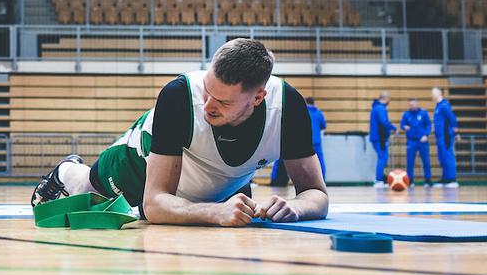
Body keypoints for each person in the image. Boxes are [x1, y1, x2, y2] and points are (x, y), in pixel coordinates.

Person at [32, 39, 328, 227]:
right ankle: (69, 172)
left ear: (258, 98)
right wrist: (214, 213)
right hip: (134, 167)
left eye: (223, 101)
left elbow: (317, 195)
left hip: (213, 185)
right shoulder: (178, 96)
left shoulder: (288, 106)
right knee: (90, 188)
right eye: (207, 91)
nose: (208, 106)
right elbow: (154, 205)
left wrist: (296, 207)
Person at [400, 98, 432, 187]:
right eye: (410, 105)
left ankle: (427, 180)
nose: (412, 106)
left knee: (426, 161)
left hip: (422, 141)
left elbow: (429, 125)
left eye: (413, 105)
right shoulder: (406, 114)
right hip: (411, 141)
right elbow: (402, 124)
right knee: (410, 162)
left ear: (417, 104)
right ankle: (410, 181)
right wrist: (404, 127)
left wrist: (426, 135)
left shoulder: (423, 113)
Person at [431, 86, 459, 188]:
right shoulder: (438, 106)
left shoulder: (444, 105)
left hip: (446, 136)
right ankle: (446, 178)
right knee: (442, 158)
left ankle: (452, 179)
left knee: (448, 157)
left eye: (433, 93)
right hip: (439, 137)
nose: (432, 95)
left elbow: (452, 118)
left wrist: (455, 131)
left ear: (440, 93)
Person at [369, 92, 396, 188]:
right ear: (385, 98)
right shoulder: (380, 108)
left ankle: (380, 178)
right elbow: (384, 122)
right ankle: (379, 179)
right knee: (382, 157)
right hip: (379, 138)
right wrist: (393, 127)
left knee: (382, 157)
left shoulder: (376, 107)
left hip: (377, 137)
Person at [306, 96, 327, 178]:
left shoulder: (303, 112)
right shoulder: (319, 113)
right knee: (320, 161)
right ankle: (322, 179)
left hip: (306, 141)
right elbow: (324, 126)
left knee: (306, 161)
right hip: (317, 141)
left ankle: (309, 180)